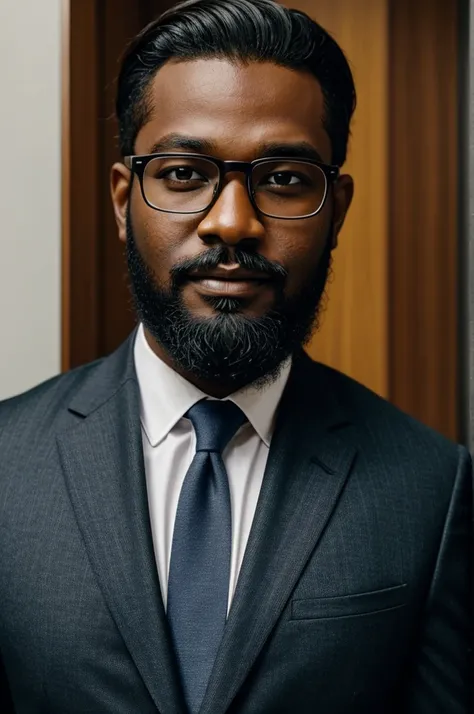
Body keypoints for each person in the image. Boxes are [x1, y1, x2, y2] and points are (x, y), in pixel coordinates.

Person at [0, 0, 471, 712]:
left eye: (283, 179)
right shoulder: (6, 467)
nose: (232, 222)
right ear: (126, 199)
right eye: (185, 173)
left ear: (335, 210)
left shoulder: (433, 491)